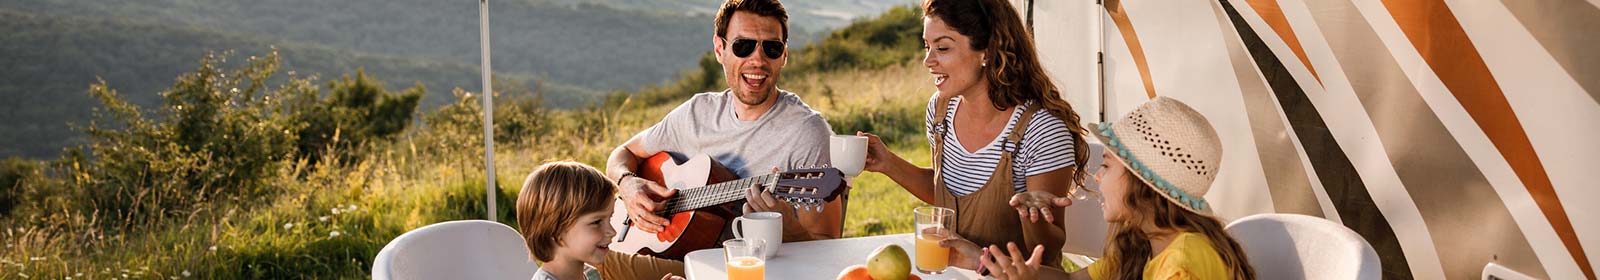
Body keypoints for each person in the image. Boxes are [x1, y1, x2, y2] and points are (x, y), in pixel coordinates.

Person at [602, 0, 841, 277]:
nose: (758, 60)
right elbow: (622, 154)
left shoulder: (806, 132)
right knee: (576, 243)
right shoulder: (696, 113)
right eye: (743, 46)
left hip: (745, 271)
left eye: (771, 48)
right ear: (719, 49)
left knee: (588, 259)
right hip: (680, 258)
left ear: (784, 56)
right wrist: (628, 183)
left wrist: (791, 230)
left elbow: (828, 252)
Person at [856, 0, 1091, 269]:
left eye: (943, 48)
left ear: (987, 52)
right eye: (926, 46)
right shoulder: (940, 110)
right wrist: (888, 162)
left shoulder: (1041, 130)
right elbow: (950, 194)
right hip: (954, 273)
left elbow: (1047, 252)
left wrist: (1032, 215)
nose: (928, 61)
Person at [955, 97, 1257, 280]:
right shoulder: (1141, 245)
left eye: (1107, 165)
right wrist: (984, 261)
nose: (1097, 177)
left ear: (1142, 183)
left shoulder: (1184, 263)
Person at [515, 161, 683, 280]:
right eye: (596, 222)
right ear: (555, 231)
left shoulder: (590, 274)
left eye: (609, 219)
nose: (612, 231)